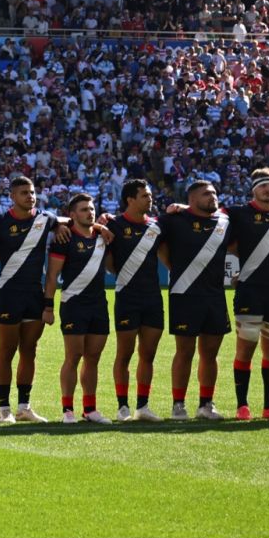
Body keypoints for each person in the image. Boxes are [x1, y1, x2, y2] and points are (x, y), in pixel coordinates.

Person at [0, 175, 69, 423]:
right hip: (9, 293)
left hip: (34, 294)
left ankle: (24, 407)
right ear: (12, 197)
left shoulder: (46, 219)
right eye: (24, 193)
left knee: (30, 350)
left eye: (32, 192)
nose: (30, 196)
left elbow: (69, 221)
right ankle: (4, 408)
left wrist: (61, 225)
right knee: (7, 349)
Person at [227, 167, 269, 421]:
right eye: (264, 185)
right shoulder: (237, 213)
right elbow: (206, 219)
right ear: (254, 189)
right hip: (249, 292)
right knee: (245, 349)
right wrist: (177, 208)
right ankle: (242, 406)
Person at [158, 180, 231, 421]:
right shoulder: (173, 220)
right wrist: (176, 269)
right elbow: (160, 246)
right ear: (191, 199)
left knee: (210, 353)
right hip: (184, 294)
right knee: (185, 351)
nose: (213, 197)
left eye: (214, 193)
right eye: (206, 194)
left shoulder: (225, 221)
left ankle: (206, 405)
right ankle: (178, 405)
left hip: (215, 296)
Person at [44, 193, 111, 424]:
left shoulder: (103, 235)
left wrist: (104, 224)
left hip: (99, 305)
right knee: (73, 356)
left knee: (93, 357)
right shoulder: (64, 238)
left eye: (91, 208)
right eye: (83, 209)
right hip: (73, 304)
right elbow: (52, 276)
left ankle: (90, 409)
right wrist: (48, 306)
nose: (89, 212)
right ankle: (67, 410)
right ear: (72, 215)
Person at [105, 179, 164, 422]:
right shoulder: (114, 225)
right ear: (130, 199)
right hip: (127, 296)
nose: (150, 199)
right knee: (125, 353)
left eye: (150, 195)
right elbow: (108, 263)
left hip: (153, 297)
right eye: (145, 195)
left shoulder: (157, 227)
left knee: (148, 354)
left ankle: (143, 406)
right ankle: (122, 407)